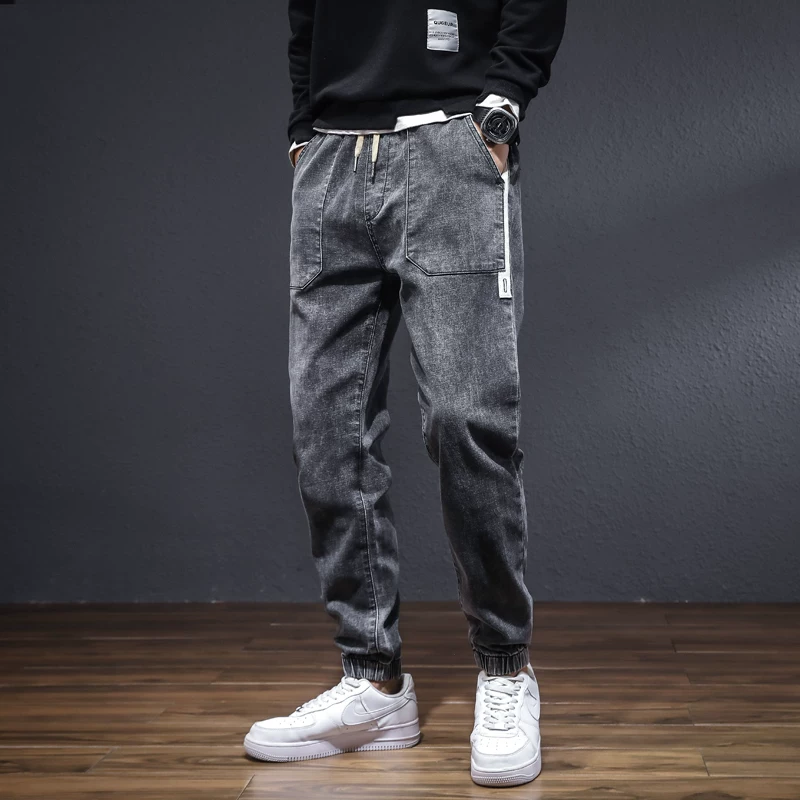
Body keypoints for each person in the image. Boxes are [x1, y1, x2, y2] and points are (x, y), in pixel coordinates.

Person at [244, 0, 567, 787]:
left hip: (454, 141)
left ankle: (505, 668)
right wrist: (302, 127)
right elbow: (305, 16)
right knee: (326, 431)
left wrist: (502, 101)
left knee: (465, 419)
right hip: (331, 157)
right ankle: (373, 681)